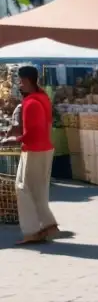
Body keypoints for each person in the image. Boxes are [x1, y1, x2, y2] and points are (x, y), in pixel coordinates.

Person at [1, 67, 57, 244]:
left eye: (20, 81)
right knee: (37, 190)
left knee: (22, 188)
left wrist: (12, 140)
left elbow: (32, 132)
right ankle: (47, 226)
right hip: (44, 148)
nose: (19, 84)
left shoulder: (30, 103)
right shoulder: (43, 98)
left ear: (25, 81)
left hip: (34, 149)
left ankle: (33, 230)